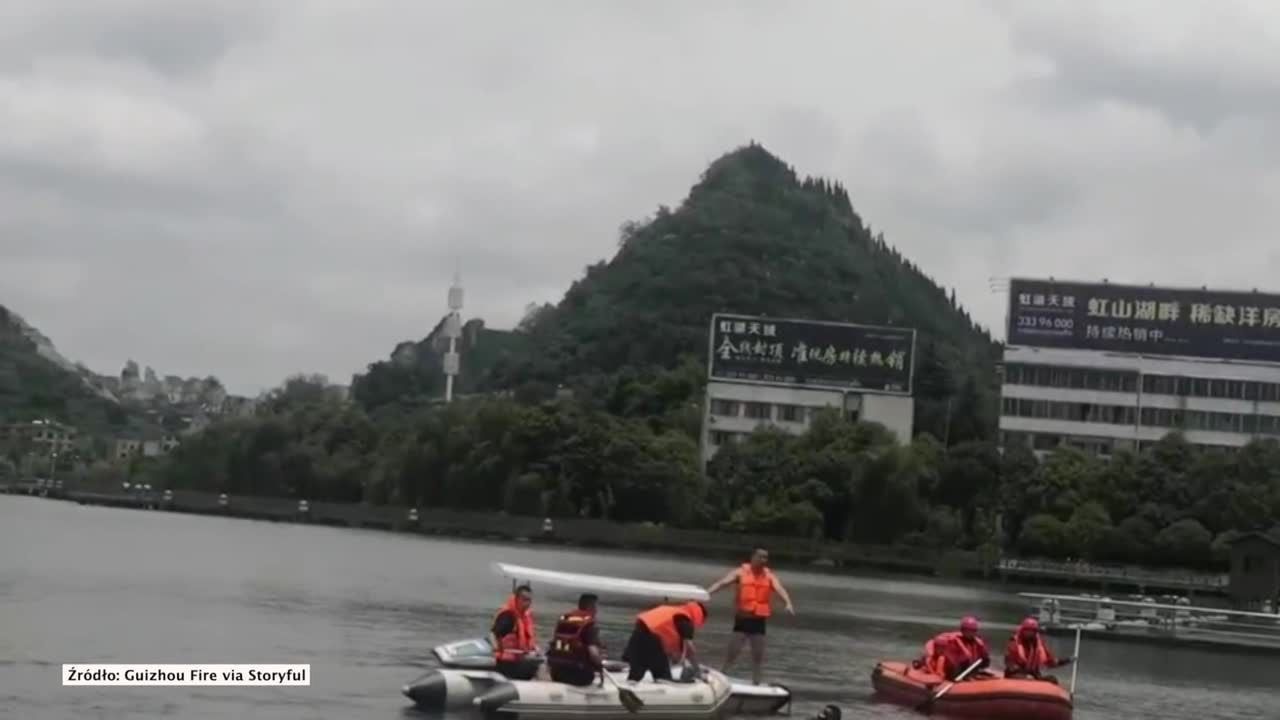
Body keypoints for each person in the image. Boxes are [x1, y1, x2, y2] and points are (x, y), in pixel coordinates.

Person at [706, 547, 795, 685]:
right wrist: (707, 593)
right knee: (732, 653)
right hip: (742, 619)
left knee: (758, 656)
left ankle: (756, 683)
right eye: (760, 557)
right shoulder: (740, 572)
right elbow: (722, 583)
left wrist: (788, 603)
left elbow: (779, 588)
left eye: (765, 558)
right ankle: (720, 677)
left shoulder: (769, 575)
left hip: (759, 621)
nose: (763, 560)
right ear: (753, 557)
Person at [622, 601, 707, 682]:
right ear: (699, 617)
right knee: (663, 676)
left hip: (638, 634)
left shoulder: (671, 611)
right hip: (652, 641)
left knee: (635, 673)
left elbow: (667, 642)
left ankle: (630, 685)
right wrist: (697, 671)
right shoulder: (685, 619)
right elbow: (689, 650)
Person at [546, 593, 606, 687]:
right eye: (595, 607)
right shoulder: (589, 625)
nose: (596, 611)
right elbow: (593, 653)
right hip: (578, 675)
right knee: (592, 673)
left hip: (556, 673)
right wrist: (600, 667)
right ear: (591, 607)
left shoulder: (565, 619)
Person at [490, 583, 540, 680]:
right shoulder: (508, 616)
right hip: (506, 663)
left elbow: (527, 639)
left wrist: (534, 648)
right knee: (536, 668)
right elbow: (493, 634)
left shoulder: (524, 617)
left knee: (538, 664)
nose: (528, 604)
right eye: (524, 600)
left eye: (529, 600)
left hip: (519, 660)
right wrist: (497, 647)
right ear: (517, 599)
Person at [918, 616, 990, 680]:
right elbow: (933, 642)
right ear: (963, 630)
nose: (971, 633)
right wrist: (930, 654)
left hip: (966, 668)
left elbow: (984, 659)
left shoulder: (978, 642)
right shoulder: (953, 638)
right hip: (952, 668)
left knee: (982, 662)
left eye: (973, 631)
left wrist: (984, 657)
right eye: (968, 631)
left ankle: (969, 676)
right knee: (942, 659)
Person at [1003, 617, 1072, 682]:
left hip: (1033, 674)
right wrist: (1020, 671)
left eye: (1032, 631)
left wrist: (1066, 661)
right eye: (1027, 630)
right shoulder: (1014, 642)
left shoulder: (1039, 645)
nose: (1030, 633)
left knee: (1052, 679)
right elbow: (1009, 661)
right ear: (1023, 630)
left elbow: (1050, 661)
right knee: (1029, 679)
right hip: (1015, 674)